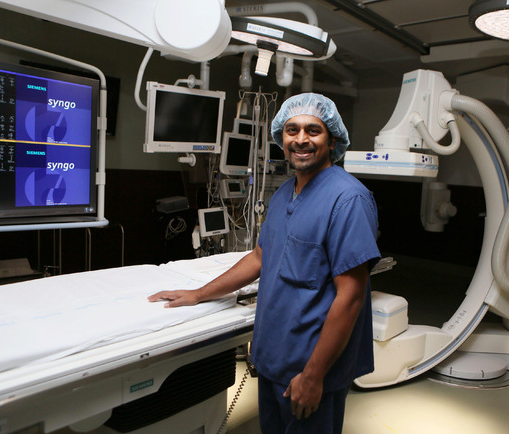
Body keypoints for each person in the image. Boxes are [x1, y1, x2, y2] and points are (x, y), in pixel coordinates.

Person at [148, 92, 380, 433]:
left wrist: (314, 376)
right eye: (292, 130)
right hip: (274, 358)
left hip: (310, 366)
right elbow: (260, 257)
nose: (301, 139)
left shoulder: (348, 200)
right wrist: (198, 294)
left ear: (332, 140)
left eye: (312, 130)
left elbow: (351, 296)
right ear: (281, 139)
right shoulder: (285, 193)